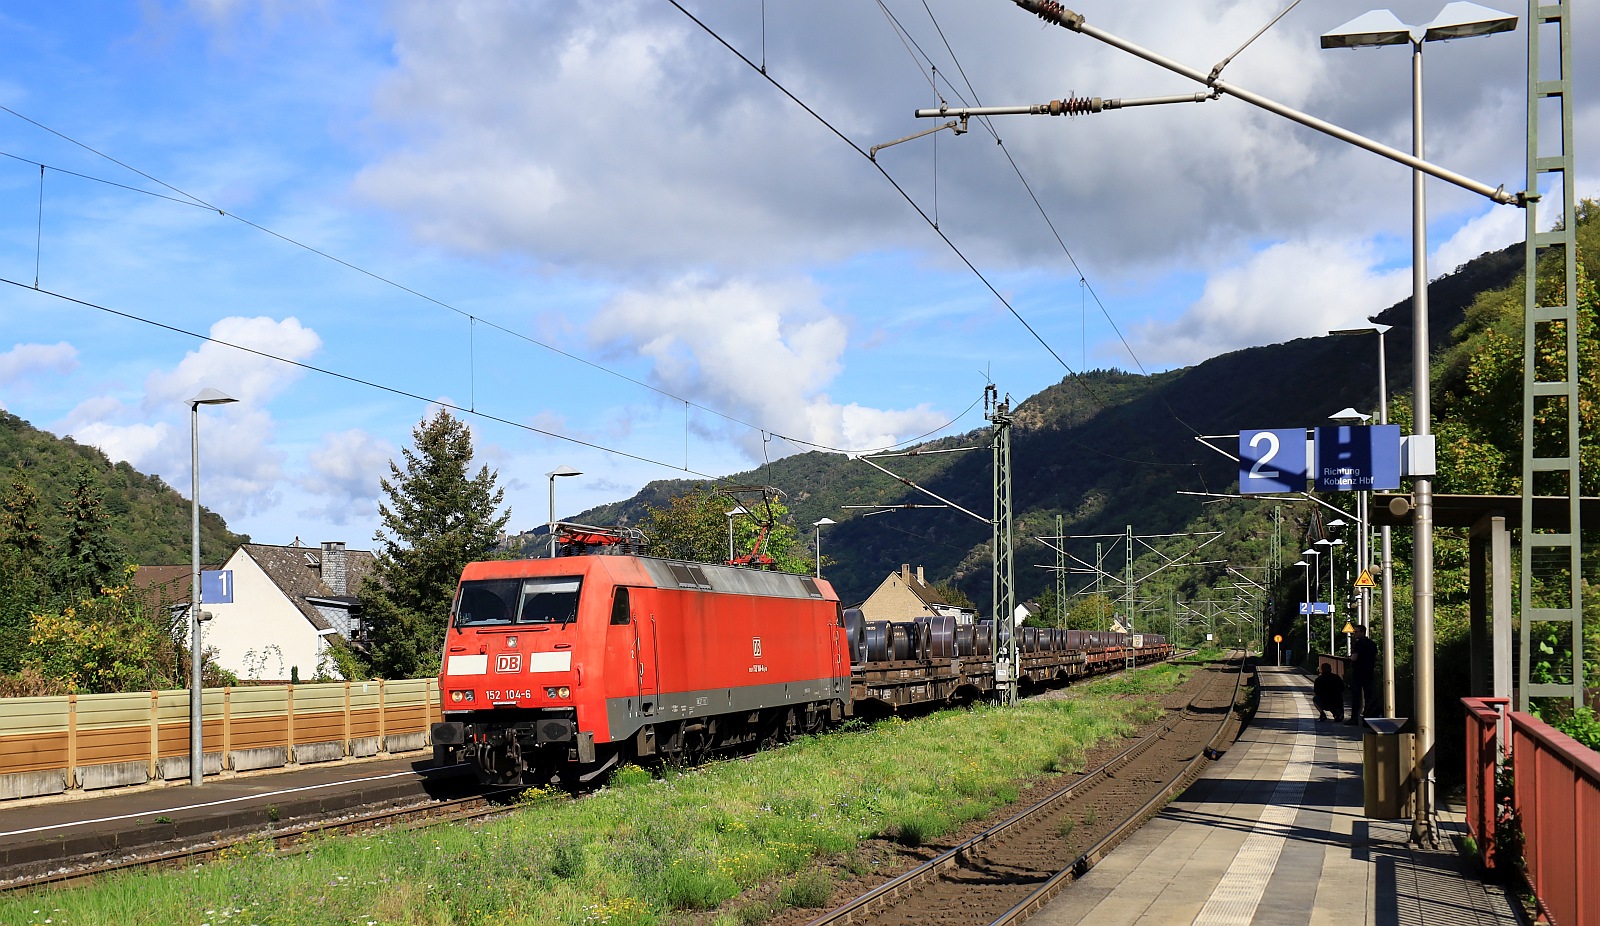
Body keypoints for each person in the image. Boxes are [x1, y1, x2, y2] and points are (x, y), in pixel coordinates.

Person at [1347, 624, 1378, 725]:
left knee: (1356, 697)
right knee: (1369, 696)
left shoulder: (1358, 644)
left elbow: (1354, 657)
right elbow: (1376, 657)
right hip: (1369, 672)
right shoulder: (1372, 644)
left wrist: (1350, 658)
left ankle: (1354, 718)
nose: (1354, 634)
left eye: (1356, 632)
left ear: (1362, 632)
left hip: (1358, 672)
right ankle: (1367, 719)